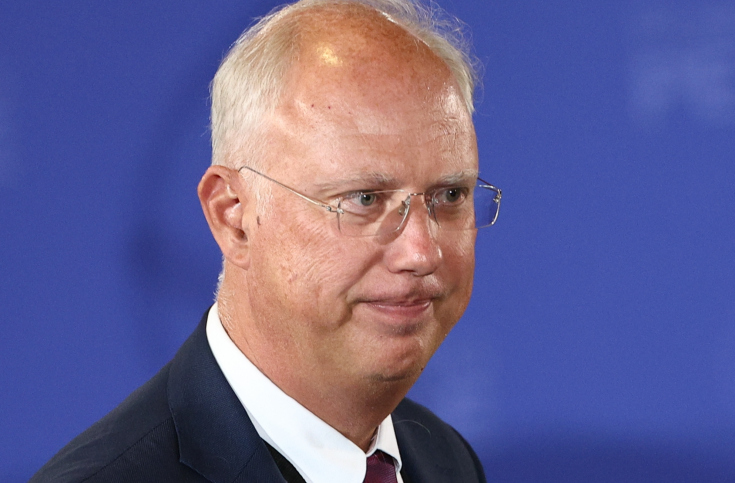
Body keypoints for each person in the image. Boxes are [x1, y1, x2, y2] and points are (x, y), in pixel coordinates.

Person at [31, 0, 501, 482]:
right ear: (233, 216)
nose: (422, 252)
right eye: (364, 198)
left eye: (450, 195)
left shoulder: (445, 460)